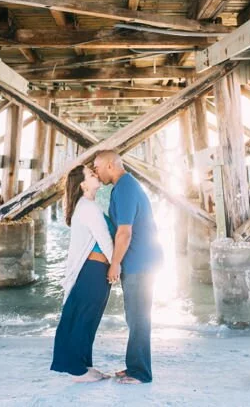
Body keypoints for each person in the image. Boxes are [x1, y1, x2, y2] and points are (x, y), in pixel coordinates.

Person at [93, 150, 162, 384]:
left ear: (110, 165)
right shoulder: (124, 186)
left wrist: (114, 264)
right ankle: (134, 366)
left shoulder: (125, 187)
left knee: (139, 317)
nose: (95, 172)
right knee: (134, 316)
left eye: (97, 167)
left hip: (140, 263)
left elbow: (125, 232)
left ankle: (141, 373)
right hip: (140, 261)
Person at [50, 165, 117, 382]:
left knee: (87, 317)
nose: (96, 175)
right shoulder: (88, 207)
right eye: (91, 174)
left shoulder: (88, 205)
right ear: (82, 184)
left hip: (94, 270)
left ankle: (84, 366)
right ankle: (78, 371)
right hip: (93, 270)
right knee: (85, 317)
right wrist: (117, 267)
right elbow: (104, 239)